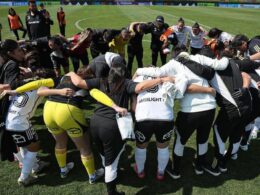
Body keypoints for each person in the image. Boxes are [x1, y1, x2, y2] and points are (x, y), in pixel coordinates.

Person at [70, 62, 177, 195]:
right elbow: (144, 90)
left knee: (107, 154)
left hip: (96, 122)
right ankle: (114, 189)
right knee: (113, 161)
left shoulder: (101, 80)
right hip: (116, 124)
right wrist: (161, 80)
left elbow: (79, 83)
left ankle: (136, 172)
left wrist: (70, 73)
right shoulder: (128, 83)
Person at [135, 49, 227, 179]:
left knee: (180, 140)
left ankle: (175, 170)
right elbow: (221, 65)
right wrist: (228, 57)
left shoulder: (174, 63)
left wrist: (139, 71)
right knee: (203, 139)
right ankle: (201, 166)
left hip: (190, 110)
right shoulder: (199, 58)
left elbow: (159, 72)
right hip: (210, 107)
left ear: (175, 56)